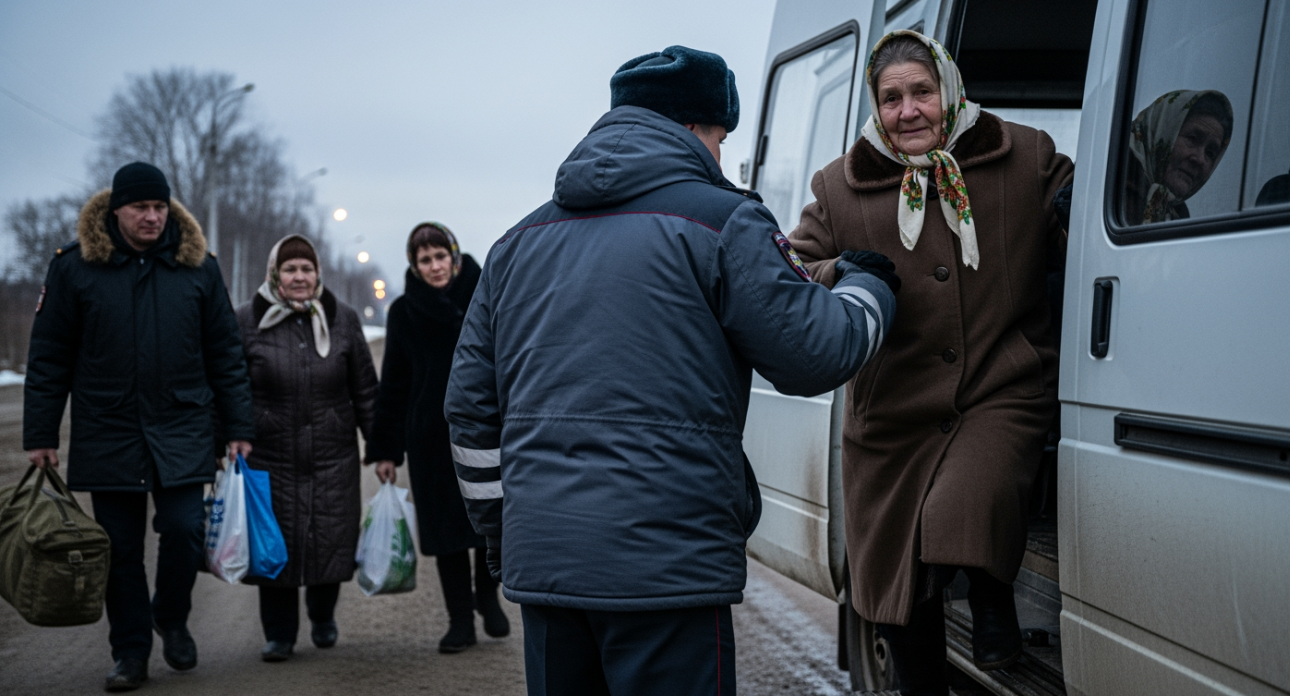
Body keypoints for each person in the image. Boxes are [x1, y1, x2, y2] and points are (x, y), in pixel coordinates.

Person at [443, 45, 898, 696]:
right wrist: (867, 291)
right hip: (667, 569)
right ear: (691, 129)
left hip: (547, 564)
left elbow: (469, 413)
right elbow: (814, 353)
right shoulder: (720, 221)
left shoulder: (515, 245)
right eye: (719, 139)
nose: (719, 158)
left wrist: (504, 533)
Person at [787, 31, 1074, 695]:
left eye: (922, 92)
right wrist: (839, 270)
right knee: (896, 583)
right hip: (892, 413)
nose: (908, 110)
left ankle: (991, 592)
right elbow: (790, 266)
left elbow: (1082, 224)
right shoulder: (839, 185)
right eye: (891, 99)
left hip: (998, 388)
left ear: (949, 90)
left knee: (963, 505)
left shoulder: (1026, 154)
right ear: (876, 108)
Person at [22, 162, 254, 692]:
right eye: (140, 208)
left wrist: (239, 424)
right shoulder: (75, 268)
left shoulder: (197, 267)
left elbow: (226, 354)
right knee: (119, 549)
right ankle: (129, 651)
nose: (152, 217)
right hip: (108, 428)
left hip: (182, 423)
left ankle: (170, 616)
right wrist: (39, 434)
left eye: (159, 208)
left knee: (183, 528)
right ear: (116, 211)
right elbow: (50, 355)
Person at [234, 234, 378, 662]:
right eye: (290, 269)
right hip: (269, 453)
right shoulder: (246, 321)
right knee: (272, 542)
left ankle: (322, 616)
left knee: (328, 536)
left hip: (332, 452)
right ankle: (279, 634)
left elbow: (366, 390)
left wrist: (382, 446)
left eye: (306, 269)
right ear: (275, 274)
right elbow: (231, 386)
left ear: (318, 274)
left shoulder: (342, 318)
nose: (299, 277)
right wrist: (229, 435)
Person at [367, 222, 509, 654]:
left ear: (454, 255)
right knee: (446, 533)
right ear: (415, 265)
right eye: (424, 260)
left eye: (440, 256)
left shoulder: (485, 294)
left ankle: (488, 595)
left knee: (491, 519)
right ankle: (460, 620)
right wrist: (386, 449)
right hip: (430, 438)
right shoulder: (404, 312)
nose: (434, 266)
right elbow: (394, 383)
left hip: (487, 428)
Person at [1125, 89, 1233, 224]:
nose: (1199, 159)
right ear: (1162, 131)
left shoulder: (1178, 215)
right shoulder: (1109, 186)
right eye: (1192, 139)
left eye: (1210, 153)